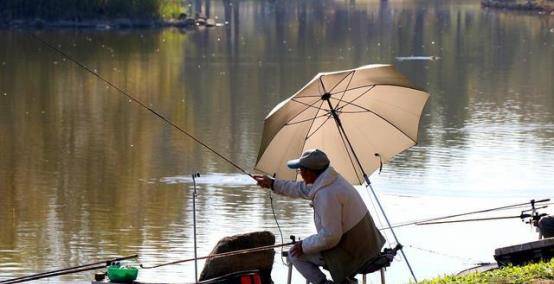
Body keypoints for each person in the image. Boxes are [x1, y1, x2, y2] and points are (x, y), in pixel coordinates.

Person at [253, 149, 385, 284]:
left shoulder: (326, 194)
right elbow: (299, 189)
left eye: (301, 171)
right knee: (305, 248)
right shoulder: (331, 180)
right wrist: (272, 183)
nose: (301, 175)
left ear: (309, 172)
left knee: (294, 255)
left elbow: (331, 236)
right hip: (368, 244)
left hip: (355, 252)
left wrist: (303, 246)